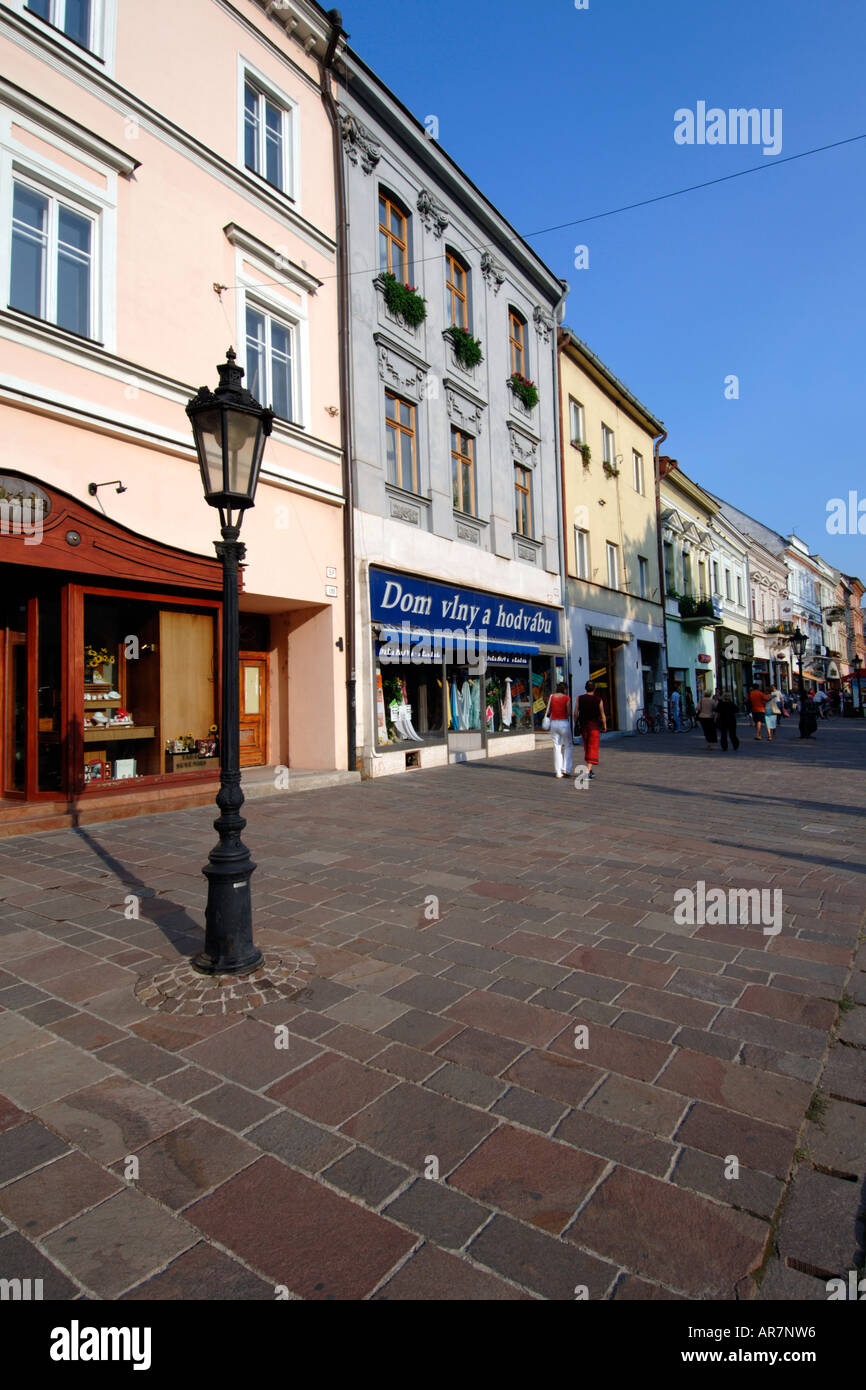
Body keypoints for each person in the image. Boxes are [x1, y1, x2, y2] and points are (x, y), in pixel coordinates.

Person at [576, 680, 607, 778]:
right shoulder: (598, 700)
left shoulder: (579, 698)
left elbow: (575, 713)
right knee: (592, 747)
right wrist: (604, 725)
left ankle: (589, 769)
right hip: (594, 726)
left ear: (585, 688)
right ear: (594, 688)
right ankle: (587, 771)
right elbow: (602, 714)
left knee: (587, 746)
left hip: (584, 726)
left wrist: (575, 723)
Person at [547, 681, 573, 779]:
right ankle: (566, 769)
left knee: (556, 747)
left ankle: (558, 772)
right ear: (565, 689)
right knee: (568, 745)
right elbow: (569, 712)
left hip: (554, 723)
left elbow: (549, 710)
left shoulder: (551, 697)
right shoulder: (566, 698)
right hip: (564, 723)